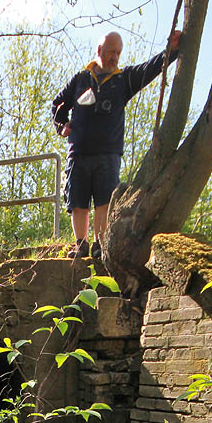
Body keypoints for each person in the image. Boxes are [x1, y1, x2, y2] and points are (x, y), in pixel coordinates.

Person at [52, 30, 182, 260]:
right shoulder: (81, 79)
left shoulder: (124, 79)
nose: (115, 57)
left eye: (118, 53)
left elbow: (150, 69)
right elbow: (58, 104)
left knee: (104, 202)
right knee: (78, 202)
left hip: (108, 153)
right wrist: (61, 125)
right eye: (111, 52)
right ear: (100, 51)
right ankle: (80, 244)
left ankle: (99, 245)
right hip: (79, 152)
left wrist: (170, 51)